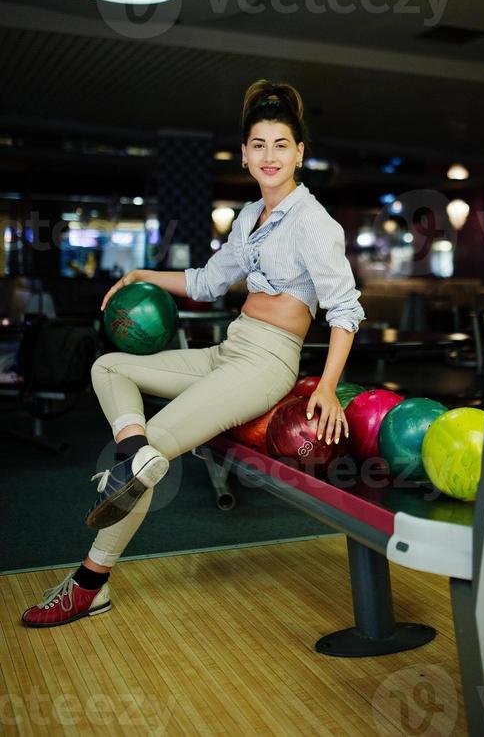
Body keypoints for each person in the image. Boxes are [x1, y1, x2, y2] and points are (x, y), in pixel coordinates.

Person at [21, 80, 365, 628]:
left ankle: (90, 583)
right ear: (246, 154)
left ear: (300, 153)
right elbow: (206, 282)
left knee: (152, 457)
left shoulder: (314, 222)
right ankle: (131, 450)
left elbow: (345, 310)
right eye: (258, 144)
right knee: (107, 366)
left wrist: (325, 386)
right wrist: (139, 274)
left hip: (266, 364)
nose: (269, 155)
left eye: (281, 144)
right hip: (229, 349)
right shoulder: (250, 216)